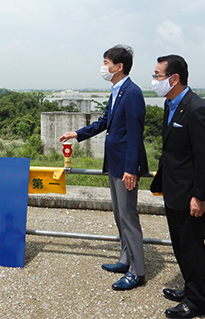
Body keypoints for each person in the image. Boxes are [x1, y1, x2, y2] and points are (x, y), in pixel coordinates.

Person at [59, 45, 148, 291]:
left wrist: (132, 169)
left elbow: (134, 135)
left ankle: (137, 272)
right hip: (115, 164)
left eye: (106, 62)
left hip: (125, 167)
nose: (103, 67)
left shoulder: (132, 93)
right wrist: (77, 134)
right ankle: (125, 259)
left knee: (128, 216)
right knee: (120, 215)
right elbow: (105, 121)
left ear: (119, 66)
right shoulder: (117, 91)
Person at [150, 55, 205, 318]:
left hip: (190, 194)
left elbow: (204, 157)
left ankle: (198, 301)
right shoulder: (171, 104)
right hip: (174, 190)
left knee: (191, 246)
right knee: (180, 244)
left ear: (174, 78)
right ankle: (189, 289)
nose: (154, 80)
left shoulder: (196, 108)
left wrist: (199, 196)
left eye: (157, 75)